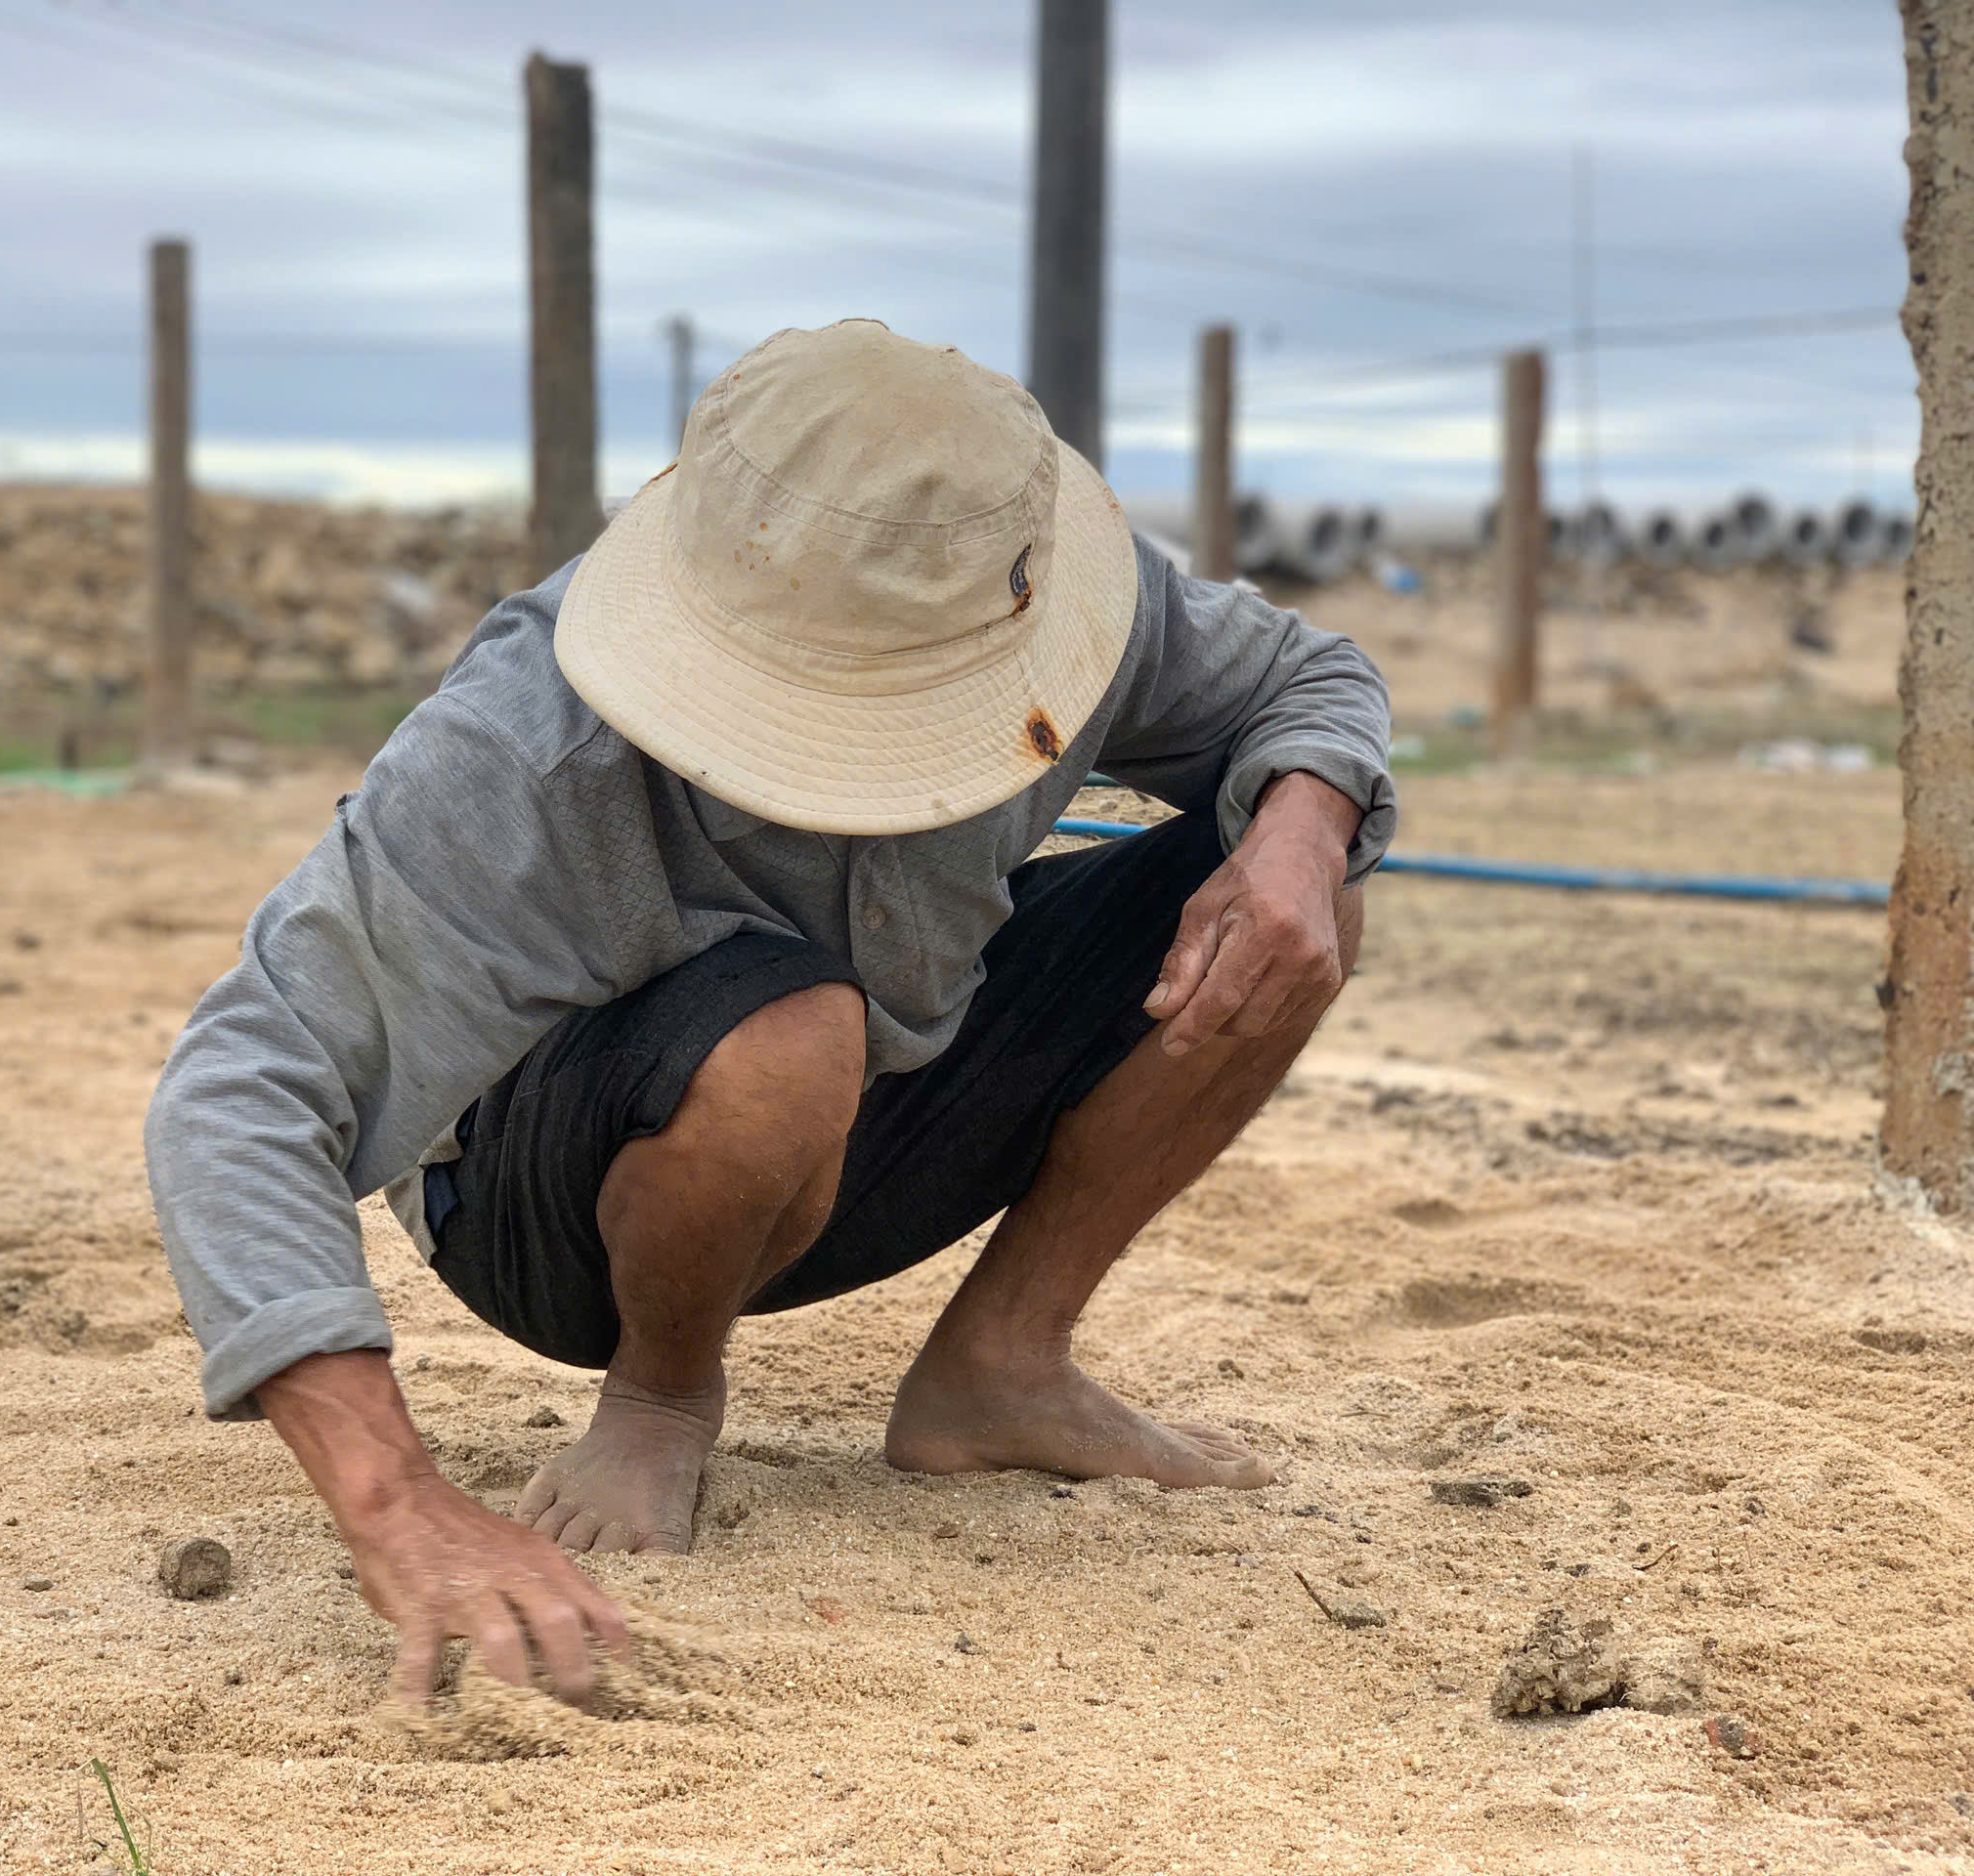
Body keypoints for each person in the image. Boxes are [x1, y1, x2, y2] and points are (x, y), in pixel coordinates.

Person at [146, 320, 1395, 1705]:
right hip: (564, 1208)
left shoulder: (1045, 590)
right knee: (792, 1026)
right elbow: (243, 1083)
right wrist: (397, 1503)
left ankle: (1000, 1365)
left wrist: (1301, 825)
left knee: (1310, 905)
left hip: (881, 1100)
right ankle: (664, 1392)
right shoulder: (522, 751)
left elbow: (1310, 680)